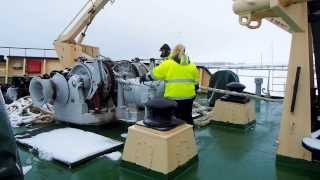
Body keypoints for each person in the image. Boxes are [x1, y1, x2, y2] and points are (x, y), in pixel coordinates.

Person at [141, 44, 199, 125]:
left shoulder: (168, 64)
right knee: (187, 118)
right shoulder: (192, 66)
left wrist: (143, 78)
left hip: (173, 99)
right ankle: (190, 135)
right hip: (189, 99)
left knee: (173, 120)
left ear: (173, 52)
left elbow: (153, 75)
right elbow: (196, 85)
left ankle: (175, 136)